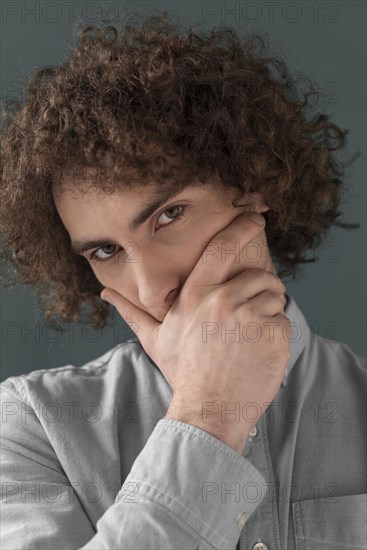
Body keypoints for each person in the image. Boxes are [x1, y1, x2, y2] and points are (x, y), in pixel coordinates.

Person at [0, 12, 365, 550]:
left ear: (255, 183)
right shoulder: (31, 428)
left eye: (169, 215)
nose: (150, 291)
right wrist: (209, 413)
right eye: (106, 251)